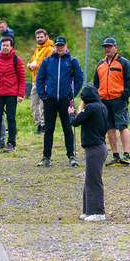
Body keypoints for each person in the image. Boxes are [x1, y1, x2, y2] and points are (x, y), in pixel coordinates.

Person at [35, 36, 83, 168]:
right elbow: (39, 79)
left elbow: (79, 79)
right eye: (57, 46)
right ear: (54, 47)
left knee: (68, 128)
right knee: (48, 129)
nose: (59, 48)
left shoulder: (72, 61)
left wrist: (71, 95)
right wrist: (43, 96)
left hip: (65, 101)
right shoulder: (47, 61)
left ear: (66, 46)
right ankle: (46, 157)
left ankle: (71, 156)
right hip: (49, 100)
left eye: (62, 45)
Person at [69, 85, 109, 221]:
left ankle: (98, 213)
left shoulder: (90, 107)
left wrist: (71, 114)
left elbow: (75, 123)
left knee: (94, 180)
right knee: (89, 179)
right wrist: (79, 114)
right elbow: (88, 120)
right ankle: (88, 210)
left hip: (94, 148)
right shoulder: (102, 106)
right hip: (100, 147)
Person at [93, 38, 130, 165]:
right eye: (105, 47)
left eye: (110, 46)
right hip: (104, 101)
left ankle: (126, 154)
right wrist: (98, 97)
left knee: (123, 126)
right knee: (110, 128)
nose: (107, 49)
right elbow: (96, 83)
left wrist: (124, 96)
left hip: (119, 99)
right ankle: (115, 155)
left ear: (116, 48)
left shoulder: (124, 62)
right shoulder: (100, 64)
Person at [0, 36, 25, 153]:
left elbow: (22, 78)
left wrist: (20, 94)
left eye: (7, 45)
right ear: (0, 47)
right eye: (3, 45)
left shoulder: (17, 60)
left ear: (11, 47)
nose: (5, 47)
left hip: (12, 94)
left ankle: (11, 143)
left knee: (11, 118)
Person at [26, 29, 54, 136]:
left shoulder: (49, 49)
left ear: (46, 37)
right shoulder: (37, 49)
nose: (39, 39)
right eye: (38, 37)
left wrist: (36, 66)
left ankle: (44, 125)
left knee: (43, 105)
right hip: (35, 81)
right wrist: (30, 66)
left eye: (41, 37)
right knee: (34, 104)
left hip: (45, 81)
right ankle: (38, 125)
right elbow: (33, 62)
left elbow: (50, 65)